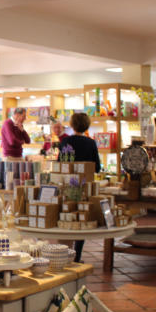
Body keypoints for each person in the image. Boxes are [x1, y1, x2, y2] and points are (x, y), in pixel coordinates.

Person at [60, 112, 101, 262]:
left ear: (72, 124)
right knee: (81, 217)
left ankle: (64, 253)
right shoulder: (90, 143)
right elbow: (97, 167)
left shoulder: (65, 142)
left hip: (67, 184)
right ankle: (77, 255)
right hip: (85, 186)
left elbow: (61, 164)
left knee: (66, 215)